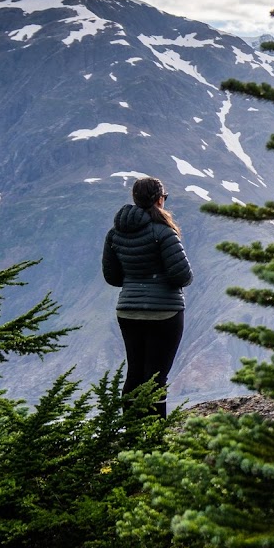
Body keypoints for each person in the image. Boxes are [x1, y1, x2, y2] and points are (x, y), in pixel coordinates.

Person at [102, 176, 192, 416]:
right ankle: (155, 434)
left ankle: (131, 431)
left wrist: (135, 281)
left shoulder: (115, 234)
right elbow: (182, 275)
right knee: (156, 376)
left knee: (134, 373)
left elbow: (112, 277)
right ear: (159, 200)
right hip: (164, 313)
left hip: (128, 312)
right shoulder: (164, 233)